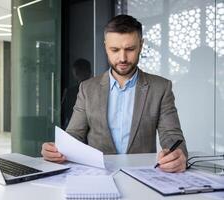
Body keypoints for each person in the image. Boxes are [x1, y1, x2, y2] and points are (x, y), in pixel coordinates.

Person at [42, 14, 188, 173]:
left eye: (130, 49)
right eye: (115, 50)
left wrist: (178, 156)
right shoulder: (87, 88)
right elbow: (74, 135)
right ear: (105, 46)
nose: (123, 58)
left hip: (142, 176)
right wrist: (56, 150)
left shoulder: (160, 87)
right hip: (96, 176)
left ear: (141, 45)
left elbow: (171, 135)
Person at [61, 58, 92, 129]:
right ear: (90, 72)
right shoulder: (99, 90)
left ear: (75, 73)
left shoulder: (70, 92)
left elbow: (64, 113)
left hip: (73, 128)